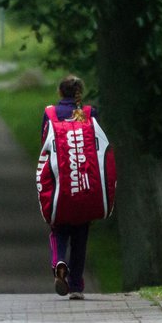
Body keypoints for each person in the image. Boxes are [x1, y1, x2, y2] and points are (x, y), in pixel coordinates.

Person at [41, 74, 96, 300]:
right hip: (82, 183)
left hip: (59, 185)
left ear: (59, 92)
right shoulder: (90, 114)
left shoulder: (50, 114)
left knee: (59, 228)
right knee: (81, 235)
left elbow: (44, 147)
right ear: (79, 93)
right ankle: (76, 286)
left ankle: (58, 262)